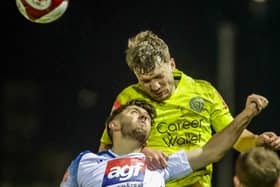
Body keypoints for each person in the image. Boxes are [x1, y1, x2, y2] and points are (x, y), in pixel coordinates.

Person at [98, 30, 280, 187]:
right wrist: (140, 154)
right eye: (145, 81)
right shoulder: (128, 99)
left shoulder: (203, 92)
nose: (154, 86)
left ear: (172, 64)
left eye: (159, 77)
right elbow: (105, 152)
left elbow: (232, 134)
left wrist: (256, 141)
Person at [61, 96, 267, 187]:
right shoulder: (84, 162)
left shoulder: (158, 164)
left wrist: (246, 114)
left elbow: (210, 151)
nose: (144, 117)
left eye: (148, 118)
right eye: (135, 112)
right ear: (113, 125)